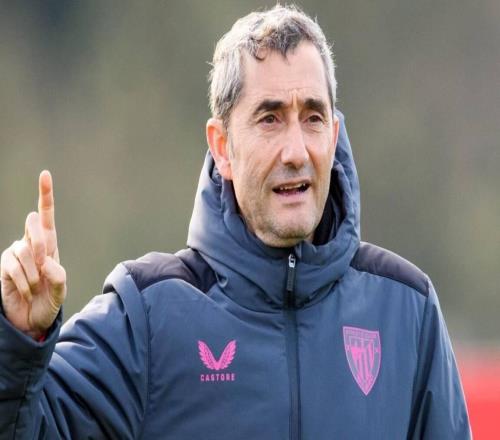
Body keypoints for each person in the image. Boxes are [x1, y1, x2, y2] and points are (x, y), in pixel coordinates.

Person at [0, 5, 471, 439]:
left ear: (333, 136)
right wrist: (18, 340)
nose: (295, 151)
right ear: (222, 146)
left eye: (312, 117)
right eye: (270, 119)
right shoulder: (146, 315)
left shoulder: (406, 309)